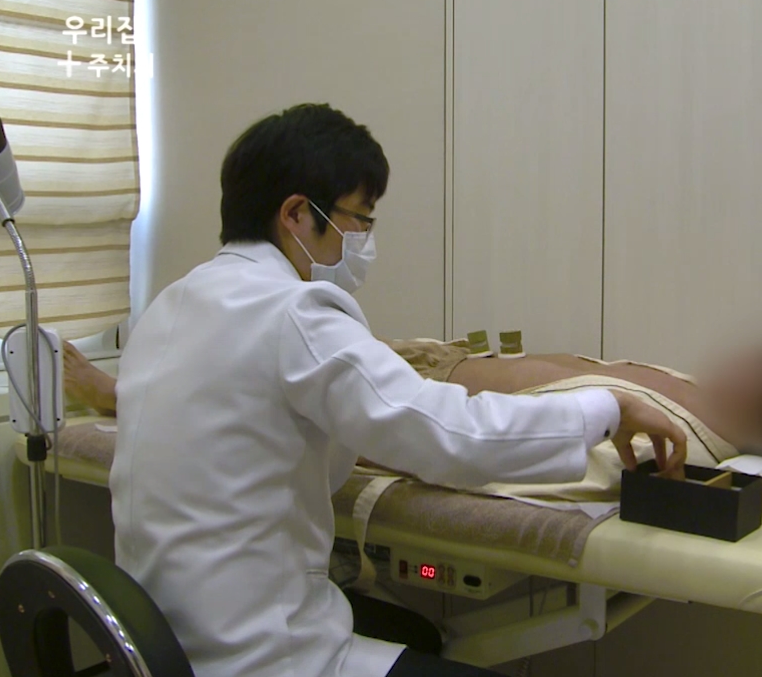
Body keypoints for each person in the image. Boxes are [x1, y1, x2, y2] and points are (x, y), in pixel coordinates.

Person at [108, 104, 687, 677]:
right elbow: (452, 434)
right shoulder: (294, 313)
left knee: (415, 633)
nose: (364, 238)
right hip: (264, 658)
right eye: (358, 219)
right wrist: (609, 406)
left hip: (164, 645)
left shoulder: (169, 306)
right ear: (296, 214)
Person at [68, 327, 762, 479]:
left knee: (269, 397)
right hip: (422, 368)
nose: (752, 345)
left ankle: (121, 398)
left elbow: (504, 452)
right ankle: (150, 378)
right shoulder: (691, 392)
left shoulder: (678, 446)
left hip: (411, 406)